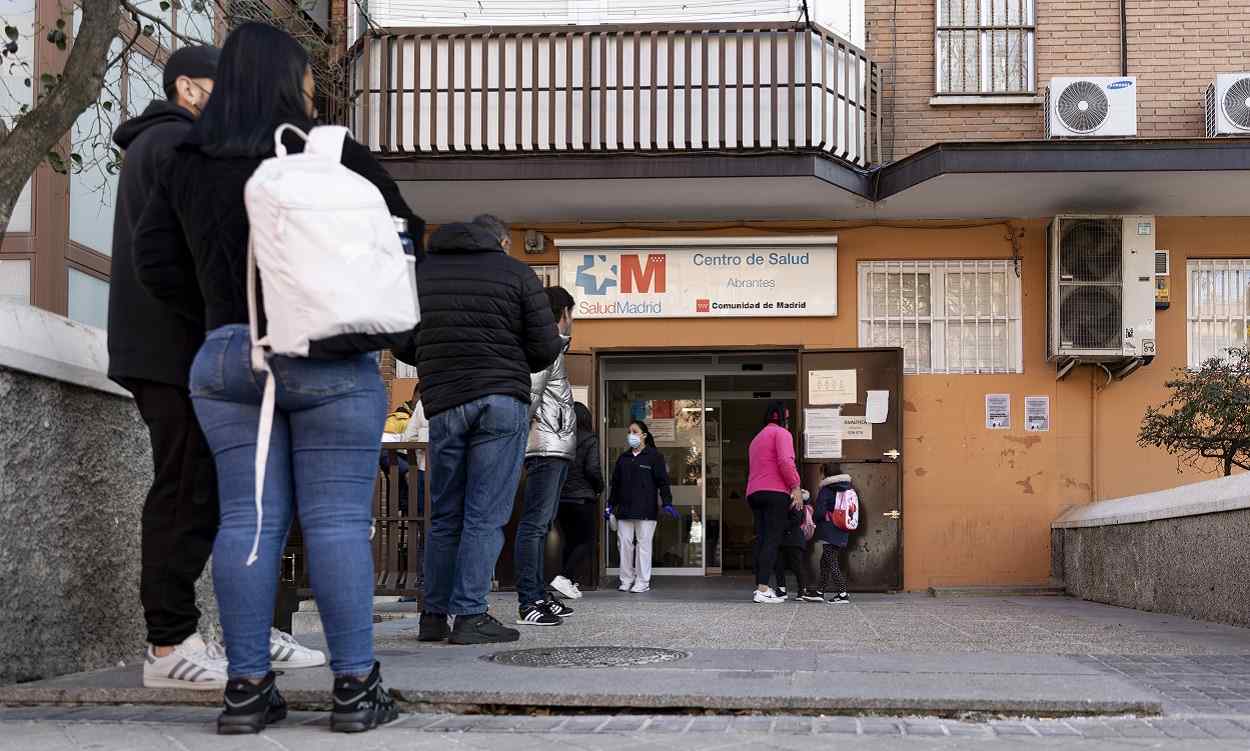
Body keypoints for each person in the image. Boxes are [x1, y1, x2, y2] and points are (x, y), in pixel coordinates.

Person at [133, 23, 422, 735]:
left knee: (245, 519)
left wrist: (221, 311)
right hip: (328, 357)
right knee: (337, 523)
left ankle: (246, 691)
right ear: (291, 83)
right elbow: (404, 235)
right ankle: (356, 688)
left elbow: (155, 265)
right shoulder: (333, 153)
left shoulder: (186, 157)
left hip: (230, 356)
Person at [106, 44, 231, 692]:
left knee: (186, 487)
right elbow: (186, 256)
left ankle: (176, 634)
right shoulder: (176, 147)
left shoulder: (150, 147)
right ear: (188, 88)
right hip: (172, 349)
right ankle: (168, 644)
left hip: (157, 348)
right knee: (185, 491)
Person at [409, 214, 562, 645]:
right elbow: (547, 345)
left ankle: (433, 615)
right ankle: (471, 615)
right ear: (500, 241)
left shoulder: (421, 273)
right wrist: (509, 358)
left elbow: (402, 341)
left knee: (445, 515)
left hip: (443, 402)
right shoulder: (515, 272)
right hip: (499, 401)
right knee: (485, 515)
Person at [514, 286, 577, 627]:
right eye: (572, 314)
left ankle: (538, 593)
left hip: (555, 448)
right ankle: (530, 601)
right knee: (534, 526)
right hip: (544, 448)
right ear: (562, 313)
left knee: (541, 525)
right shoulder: (543, 346)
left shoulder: (553, 348)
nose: (573, 321)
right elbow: (528, 398)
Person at [606, 420, 677, 594]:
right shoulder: (623, 458)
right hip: (624, 509)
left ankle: (642, 581)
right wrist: (610, 505)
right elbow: (616, 484)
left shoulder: (654, 457)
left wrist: (667, 502)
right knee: (624, 544)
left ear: (644, 435)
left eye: (635, 431)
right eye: (629, 431)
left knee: (643, 546)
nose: (631, 435)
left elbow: (663, 483)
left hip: (646, 509)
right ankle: (626, 579)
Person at [746, 401, 802, 605]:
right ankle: (762, 589)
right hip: (775, 492)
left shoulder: (756, 439)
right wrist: (795, 486)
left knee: (761, 539)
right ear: (784, 418)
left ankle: (761, 587)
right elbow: (785, 461)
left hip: (754, 493)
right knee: (772, 539)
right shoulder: (782, 434)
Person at [550, 402, 603, 601]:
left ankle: (569, 583)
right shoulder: (590, 439)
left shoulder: (561, 438)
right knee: (587, 541)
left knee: (570, 542)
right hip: (582, 498)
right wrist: (599, 488)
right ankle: (565, 577)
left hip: (561, 498)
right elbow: (593, 469)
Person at [813, 462, 854, 604]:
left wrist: (814, 518)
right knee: (825, 561)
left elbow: (819, 511)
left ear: (826, 473)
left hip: (829, 529)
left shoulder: (827, 489)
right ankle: (819, 592)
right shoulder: (847, 488)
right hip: (842, 527)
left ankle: (843, 594)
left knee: (831, 561)